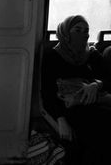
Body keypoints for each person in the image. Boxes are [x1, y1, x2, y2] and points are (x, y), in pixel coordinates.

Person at [41, 15, 111, 165]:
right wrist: (60, 119)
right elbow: (47, 93)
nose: (84, 35)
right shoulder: (52, 57)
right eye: (77, 30)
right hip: (69, 108)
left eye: (86, 31)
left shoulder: (92, 55)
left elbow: (108, 79)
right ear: (65, 33)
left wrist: (96, 85)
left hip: (95, 103)